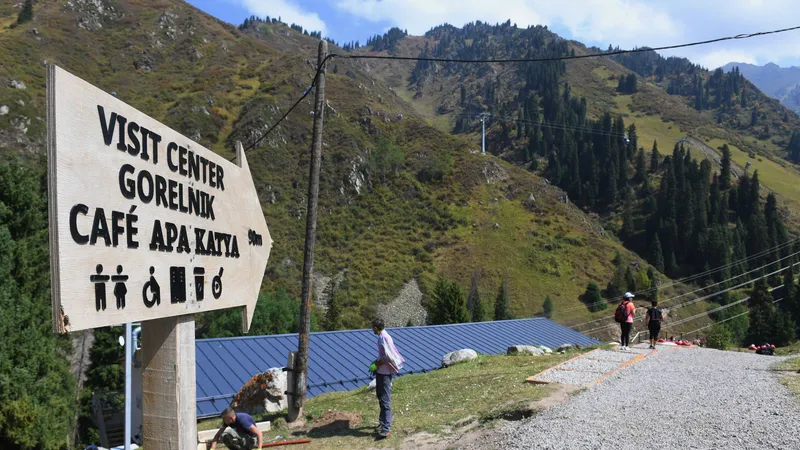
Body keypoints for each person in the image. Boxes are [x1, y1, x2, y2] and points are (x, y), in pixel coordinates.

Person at [371, 318, 405, 438]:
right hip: (381, 372)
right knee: (380, 397)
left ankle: (386, 428)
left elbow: (386, 357)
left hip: (385, 373)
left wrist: (376, 364)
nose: (371, 329)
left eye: (372, 326)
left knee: (385, 400)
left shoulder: (384, 338)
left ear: (376, 327)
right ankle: (382, 422)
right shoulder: (383, 336)